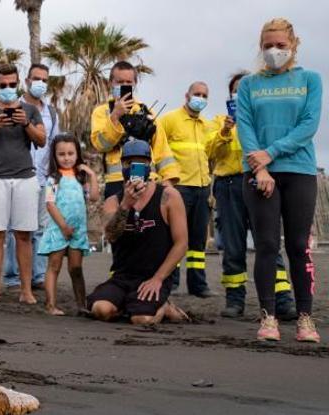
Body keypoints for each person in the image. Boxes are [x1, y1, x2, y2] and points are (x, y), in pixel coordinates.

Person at [237, 18, 322, 343]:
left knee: (299, 246)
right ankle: (268, 316)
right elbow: (245, 127)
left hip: (298, 170)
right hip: (259, 173)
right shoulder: (249, 85)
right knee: (267, 246)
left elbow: (308, 124)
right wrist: (260, 168)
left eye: (280, 46)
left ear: (293, 45)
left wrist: (270, 154)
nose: (273, 51)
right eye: (268, 46)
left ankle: (304, 318)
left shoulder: (310, 80)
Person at [206, 72, 296, 320]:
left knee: (268, 243)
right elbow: (209, 151)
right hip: (228, 184)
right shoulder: (217, 122)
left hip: (259, 179)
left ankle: (282, 300)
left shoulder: (263, 120)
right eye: (236, 90)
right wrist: (225, 131)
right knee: (233, 245)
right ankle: (235, 300)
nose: (239, 94)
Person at [87, 140, 188, 325]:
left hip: (155, 276)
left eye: (141, 163)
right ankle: (128, 302)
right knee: (101, 310)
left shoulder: (168, 197)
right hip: (123, 276)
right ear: (122, 166)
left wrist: (158, 279)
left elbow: (181, 244)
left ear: (150, 166)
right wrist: (126, 204)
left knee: (142, 319)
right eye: (129, 163)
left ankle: (163, 306)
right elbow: (111, 235)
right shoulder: (113, 201)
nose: (134, 168)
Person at [0, 63, 46, 304]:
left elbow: (42, 140)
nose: (7, 88)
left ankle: (26, 290)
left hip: (25, 176)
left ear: (18, 84)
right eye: (3, 85)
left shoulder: (31, 111)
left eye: (12, 84)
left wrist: (25, 124)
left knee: (24, 235)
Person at [3, 63, 61, 291]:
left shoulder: (52, 112)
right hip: (17, 176)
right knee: (13, 229)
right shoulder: (13, 106)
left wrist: (56, 178)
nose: (41, 83)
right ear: (26, 81)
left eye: (45, 80)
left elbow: (56, 144)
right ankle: (13, 277)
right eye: (36, 78)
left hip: (46, 179)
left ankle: (38, 275)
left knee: (41, 228)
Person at [158, 81, 218, 297]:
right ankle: (171, 282)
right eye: (197, 94)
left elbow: (210, 152)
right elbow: (157, 147)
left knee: (198, 239)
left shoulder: (206, 125)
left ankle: (198, 285)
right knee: (174, 236)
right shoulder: (169, 119)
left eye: (204, 95)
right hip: (179, 187)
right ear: (187, 95)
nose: (200, 98)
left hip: (202, 187)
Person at [90, 61, 179, 198]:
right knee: (119, 219)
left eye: (128, 82)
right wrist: (115, 116)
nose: (124, 85)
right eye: (119, 82)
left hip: (148, 180)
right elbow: (101, 145)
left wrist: (169, 180)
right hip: (117, 182)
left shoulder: (147, 111)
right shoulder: (102, 112)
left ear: (134, 84)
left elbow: (162, 149)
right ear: (110, 83)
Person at [38, 134, 99, 316]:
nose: (66, 158)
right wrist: (63, 226)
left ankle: (82, 305)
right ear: (55, 156)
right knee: (54, 266)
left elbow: (94, 197)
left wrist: (92, 175)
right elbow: (50, 204)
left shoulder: (81, 178)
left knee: (76, 268)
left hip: (78, 231)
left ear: (77, 154)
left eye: (71, 153)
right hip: (59, 228)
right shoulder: (53, 179)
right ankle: (50, 305)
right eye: (61, 154)